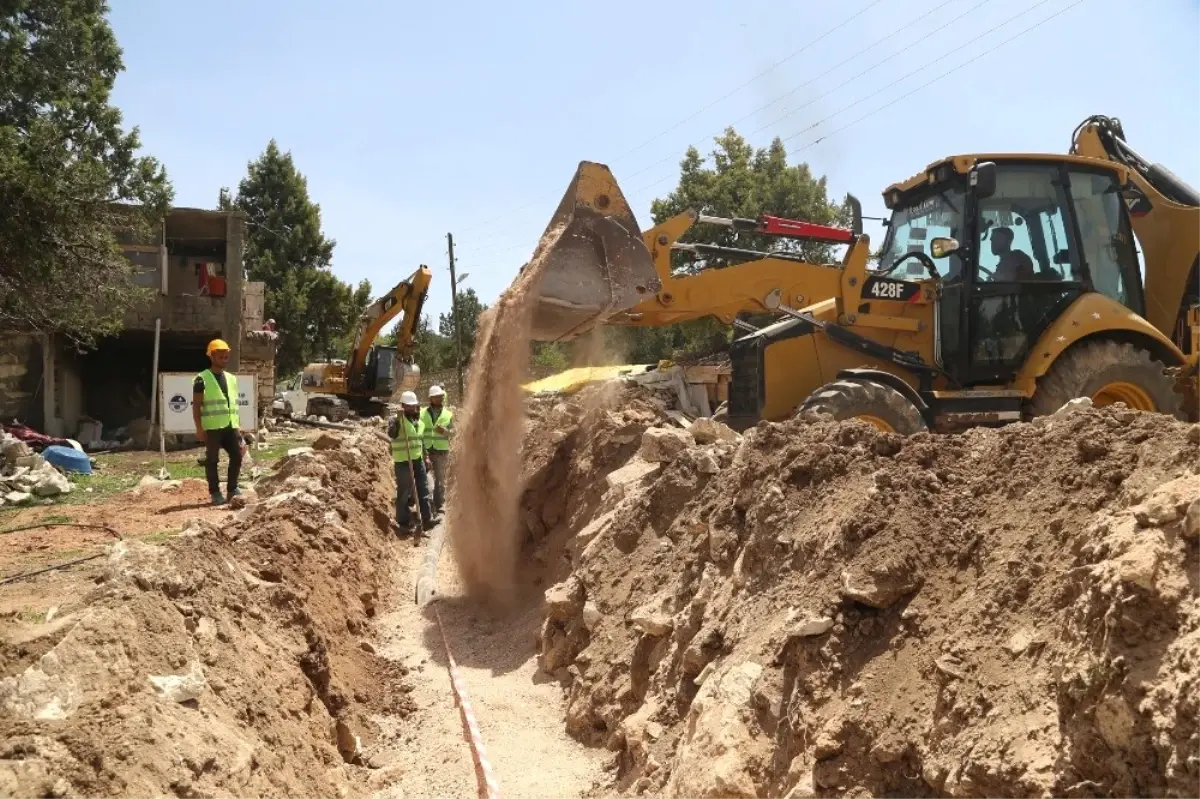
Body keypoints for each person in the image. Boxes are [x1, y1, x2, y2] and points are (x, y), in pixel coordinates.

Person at [193, 339, 243, 506]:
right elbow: (197, 405)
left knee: (237, 455)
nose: (224, 358)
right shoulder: (201, 379)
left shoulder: (231, 379)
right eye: (220, 355)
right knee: (212, 460)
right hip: (213, 427)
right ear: (211, 356)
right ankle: (215, 492)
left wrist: (238, 428)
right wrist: (199, 428)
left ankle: (232, 489)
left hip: (230, 425)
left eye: (226, 356)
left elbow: (232, 403)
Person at [389, 391, 434, 535]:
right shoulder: (396, 420)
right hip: (403, 461)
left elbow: (421, 442)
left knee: (423, 488)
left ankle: (426, 518)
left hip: (417, 459)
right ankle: (403, 521)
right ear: (402, 406)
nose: (411, 409)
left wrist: (426, 457)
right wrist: (396, 422)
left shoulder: (418, 422)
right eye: (408, 406)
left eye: (413, 406)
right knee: (404, 491)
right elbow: (392, 434)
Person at [421, 385, 454, 513]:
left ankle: (439, 504)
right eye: (436, 397)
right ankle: (429, 507)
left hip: (441, 452)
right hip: (427, 451)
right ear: (431, 398)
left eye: (440, 397)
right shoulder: (422, 413)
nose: (439, 399)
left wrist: (445, 431)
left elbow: (454, 432)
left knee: (440, 481)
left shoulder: (448, 414)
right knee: (428, 481)